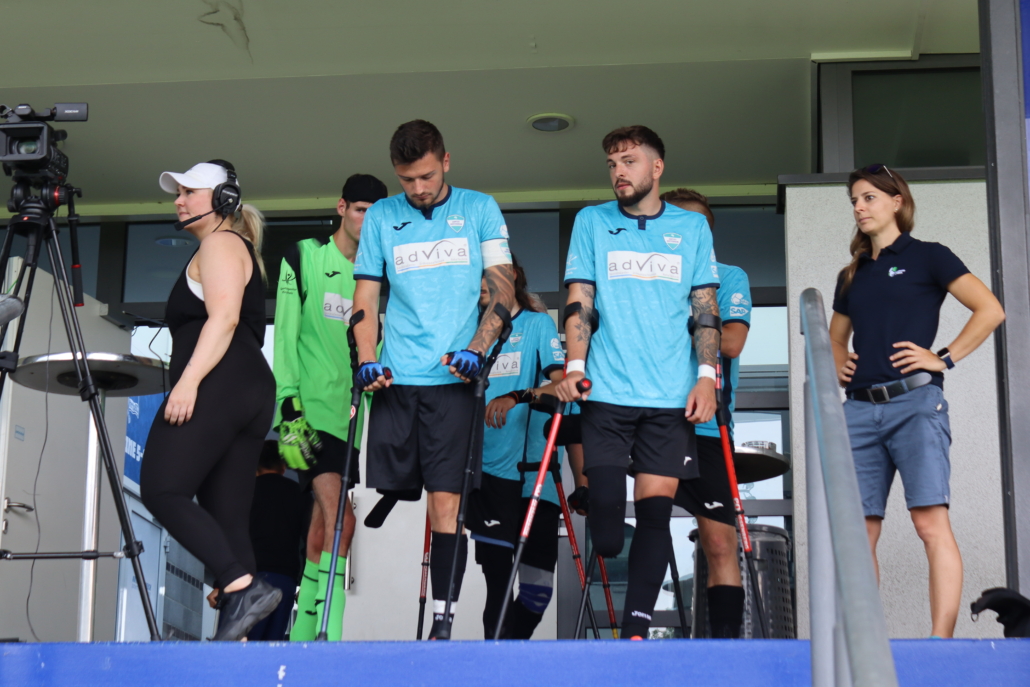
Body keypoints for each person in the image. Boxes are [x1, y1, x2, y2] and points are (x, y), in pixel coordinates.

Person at [351, 119, 516, 639]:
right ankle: (400, 491)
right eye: (407, 180)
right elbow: (366, 297)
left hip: (453, 381)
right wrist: (365, 358)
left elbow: (502, 292)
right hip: (397, 379)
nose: (418, 188)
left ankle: (443, 622)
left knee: (447, 504)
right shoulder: (382, 216)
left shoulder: (479, 209)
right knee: (397, 490)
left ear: (445, 161)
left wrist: (476, 350)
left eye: (426, 176)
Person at [555, 126, 721, 640]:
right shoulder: (591, 221)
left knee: (654, 516)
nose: (618, 172)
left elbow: (705, 310)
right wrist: (575, 366)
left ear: (657, 167)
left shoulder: (691, 229)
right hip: (605, 393)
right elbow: (580, 300)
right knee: (606, 533)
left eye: (629, 161)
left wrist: (707, 378)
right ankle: (610, 544)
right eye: (612, 164)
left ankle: (635, 633)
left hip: (669, 398)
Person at [829, 165, 1004, 638]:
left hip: (915, 404)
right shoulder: (852, 274)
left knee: (930, 524)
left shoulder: (929, 256)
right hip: (858, 411)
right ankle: (865, 641)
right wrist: (840, 361)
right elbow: (835, 338)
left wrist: (943, 357)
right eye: (854, 200)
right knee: (859, 534)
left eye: (868, 197)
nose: (859, 207)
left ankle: (940, 643)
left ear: (897, 201)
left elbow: (990, 310)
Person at [141, 160, 280, 641]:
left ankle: (242, 584)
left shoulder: (220, 243)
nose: (178, 201)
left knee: (162, 490)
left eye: (189, 192)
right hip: (245, 388)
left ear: (222, 200)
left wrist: (188, 382)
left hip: (220, 383)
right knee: (228, 520)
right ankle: (236, 642)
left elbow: (223, 318)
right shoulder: (234, 246)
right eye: (177, 193)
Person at [273, 173, 388, 641]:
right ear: (342, 208)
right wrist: (288, 406)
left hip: (352, 420)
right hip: (309, 416)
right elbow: (284, 335)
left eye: (375, 215)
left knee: (324, 526)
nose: (366, 221)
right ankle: (330, 634)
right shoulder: (303, 256)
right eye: (360, 210)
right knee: (342, 517)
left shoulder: (379, 276)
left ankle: (302, 634)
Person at [660, 188, 751, 638]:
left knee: (718, 543)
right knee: (648, 534)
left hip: (710, 427)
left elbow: (730, 343)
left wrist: (670, 325)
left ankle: (727, 651)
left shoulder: (729, 276)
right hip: (653, 423)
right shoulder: (651, 278)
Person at [465, 256, 565, 638]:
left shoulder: (538, 324)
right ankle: (496, 664)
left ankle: (507, 654)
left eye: (489, 275)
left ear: (513, 277)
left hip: (535, 478)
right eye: (476, 276)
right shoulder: (472, 333)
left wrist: (517, 396)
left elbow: (563, 386)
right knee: (499, 587)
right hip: (488, 478)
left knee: (537, 593)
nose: (481, 283)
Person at [208, 442, 310, 641]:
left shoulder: (242, 493)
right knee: (270, 647)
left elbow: (228, 538)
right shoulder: (300, 494)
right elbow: (309, 540)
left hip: (245, 578)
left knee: (234, 644)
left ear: (254, 465)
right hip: (284, 579)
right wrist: (305, 583)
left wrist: (220, 583)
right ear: (284, 465)